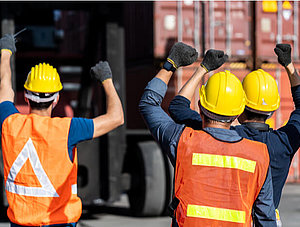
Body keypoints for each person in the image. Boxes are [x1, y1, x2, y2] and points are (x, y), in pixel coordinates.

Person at [139, 42, 276, 226]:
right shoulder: (260, 155)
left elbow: (148, 104)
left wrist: (170, 64)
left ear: (201, 107)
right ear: (237, 113)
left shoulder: (182, 141)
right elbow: (265, 219)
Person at [168, 44, 300, 225]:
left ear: (240, 107)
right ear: (273, 110)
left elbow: (177, 107)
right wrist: (289, 66)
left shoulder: (221, 134)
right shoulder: (284, 144)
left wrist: (203, 69)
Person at [0, 34, 124, 226]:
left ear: (25, 96)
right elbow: (116, 118)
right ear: (56, 99)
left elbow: (4, 88)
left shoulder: (10, 123)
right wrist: (106, 80)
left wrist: (6, 52)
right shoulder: (68, 129)